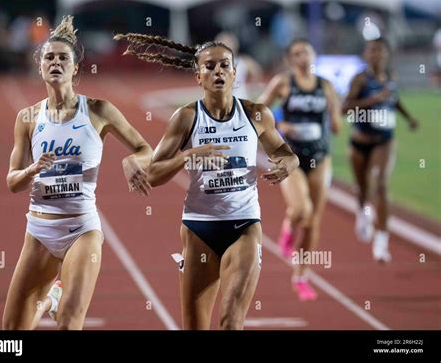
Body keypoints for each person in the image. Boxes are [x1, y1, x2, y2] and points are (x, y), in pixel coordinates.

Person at [114, 33, 299, 329]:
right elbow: (154, 173)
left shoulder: (255, 114)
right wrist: (188, 155)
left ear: (235, 73)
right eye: (210, 67)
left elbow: (286, 154)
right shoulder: (186, 118)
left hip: (244, 226)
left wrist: (288, 164)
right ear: (198, 77)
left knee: (230, 322)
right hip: (199, 228)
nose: (218, 72)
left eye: (225, 65)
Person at [3, 16, 152, 330]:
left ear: (75, 68)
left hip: (81, 230)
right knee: (11, 333)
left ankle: (55, 301)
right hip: (39, 231)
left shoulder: (99, 110)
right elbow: (12, 182)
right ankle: (48, 299)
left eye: (63, 58)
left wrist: (130, 162)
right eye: (49, 57)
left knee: (70, 323)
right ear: (40, 66)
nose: (55, 62)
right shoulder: (27, 118)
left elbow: (145, 149)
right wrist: (33, 169)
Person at [258, 38, 341, 301]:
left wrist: (337, 116)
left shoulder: (325, 86)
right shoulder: (283, 83)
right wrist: (281, 126)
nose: (302, 57)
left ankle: (300, 276)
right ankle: (289, 226)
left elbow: (337, 123)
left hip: (320, 156)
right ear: (290, 60)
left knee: (313, 220)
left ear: (313, 55)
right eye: (296, 54)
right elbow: (259, 111)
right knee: (302, 210)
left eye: (306, 52)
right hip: (290, 156)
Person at [342, 37, 419, 263]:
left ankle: (382, 243)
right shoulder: (360, 80)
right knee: (362, 189)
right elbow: (344, 108)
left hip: (384, 140)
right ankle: (362, 212)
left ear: (387, 54)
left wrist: (408, 118)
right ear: (366, 55)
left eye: (379, 51)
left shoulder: (391, 77)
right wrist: (372, 99)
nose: (375, 55)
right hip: (359, 141)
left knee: (381, 183)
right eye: (371, 51)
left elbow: (393, 100)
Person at [215, 32, 262, 100]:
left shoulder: (243, 61)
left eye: (229, 43)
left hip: (240, 99)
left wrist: (252, 88)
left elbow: (257, 72)